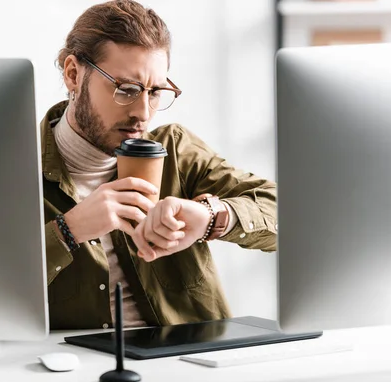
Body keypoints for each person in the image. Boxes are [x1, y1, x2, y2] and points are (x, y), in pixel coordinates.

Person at [43, 0, 277, 330]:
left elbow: (287, 216)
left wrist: (213, 217)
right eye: (126, 89)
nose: (144, 112)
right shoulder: (12, 168)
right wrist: (67, 231)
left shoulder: (175, 150)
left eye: (155, 92)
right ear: (73, 74)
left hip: (191, 363)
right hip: (76, 372)